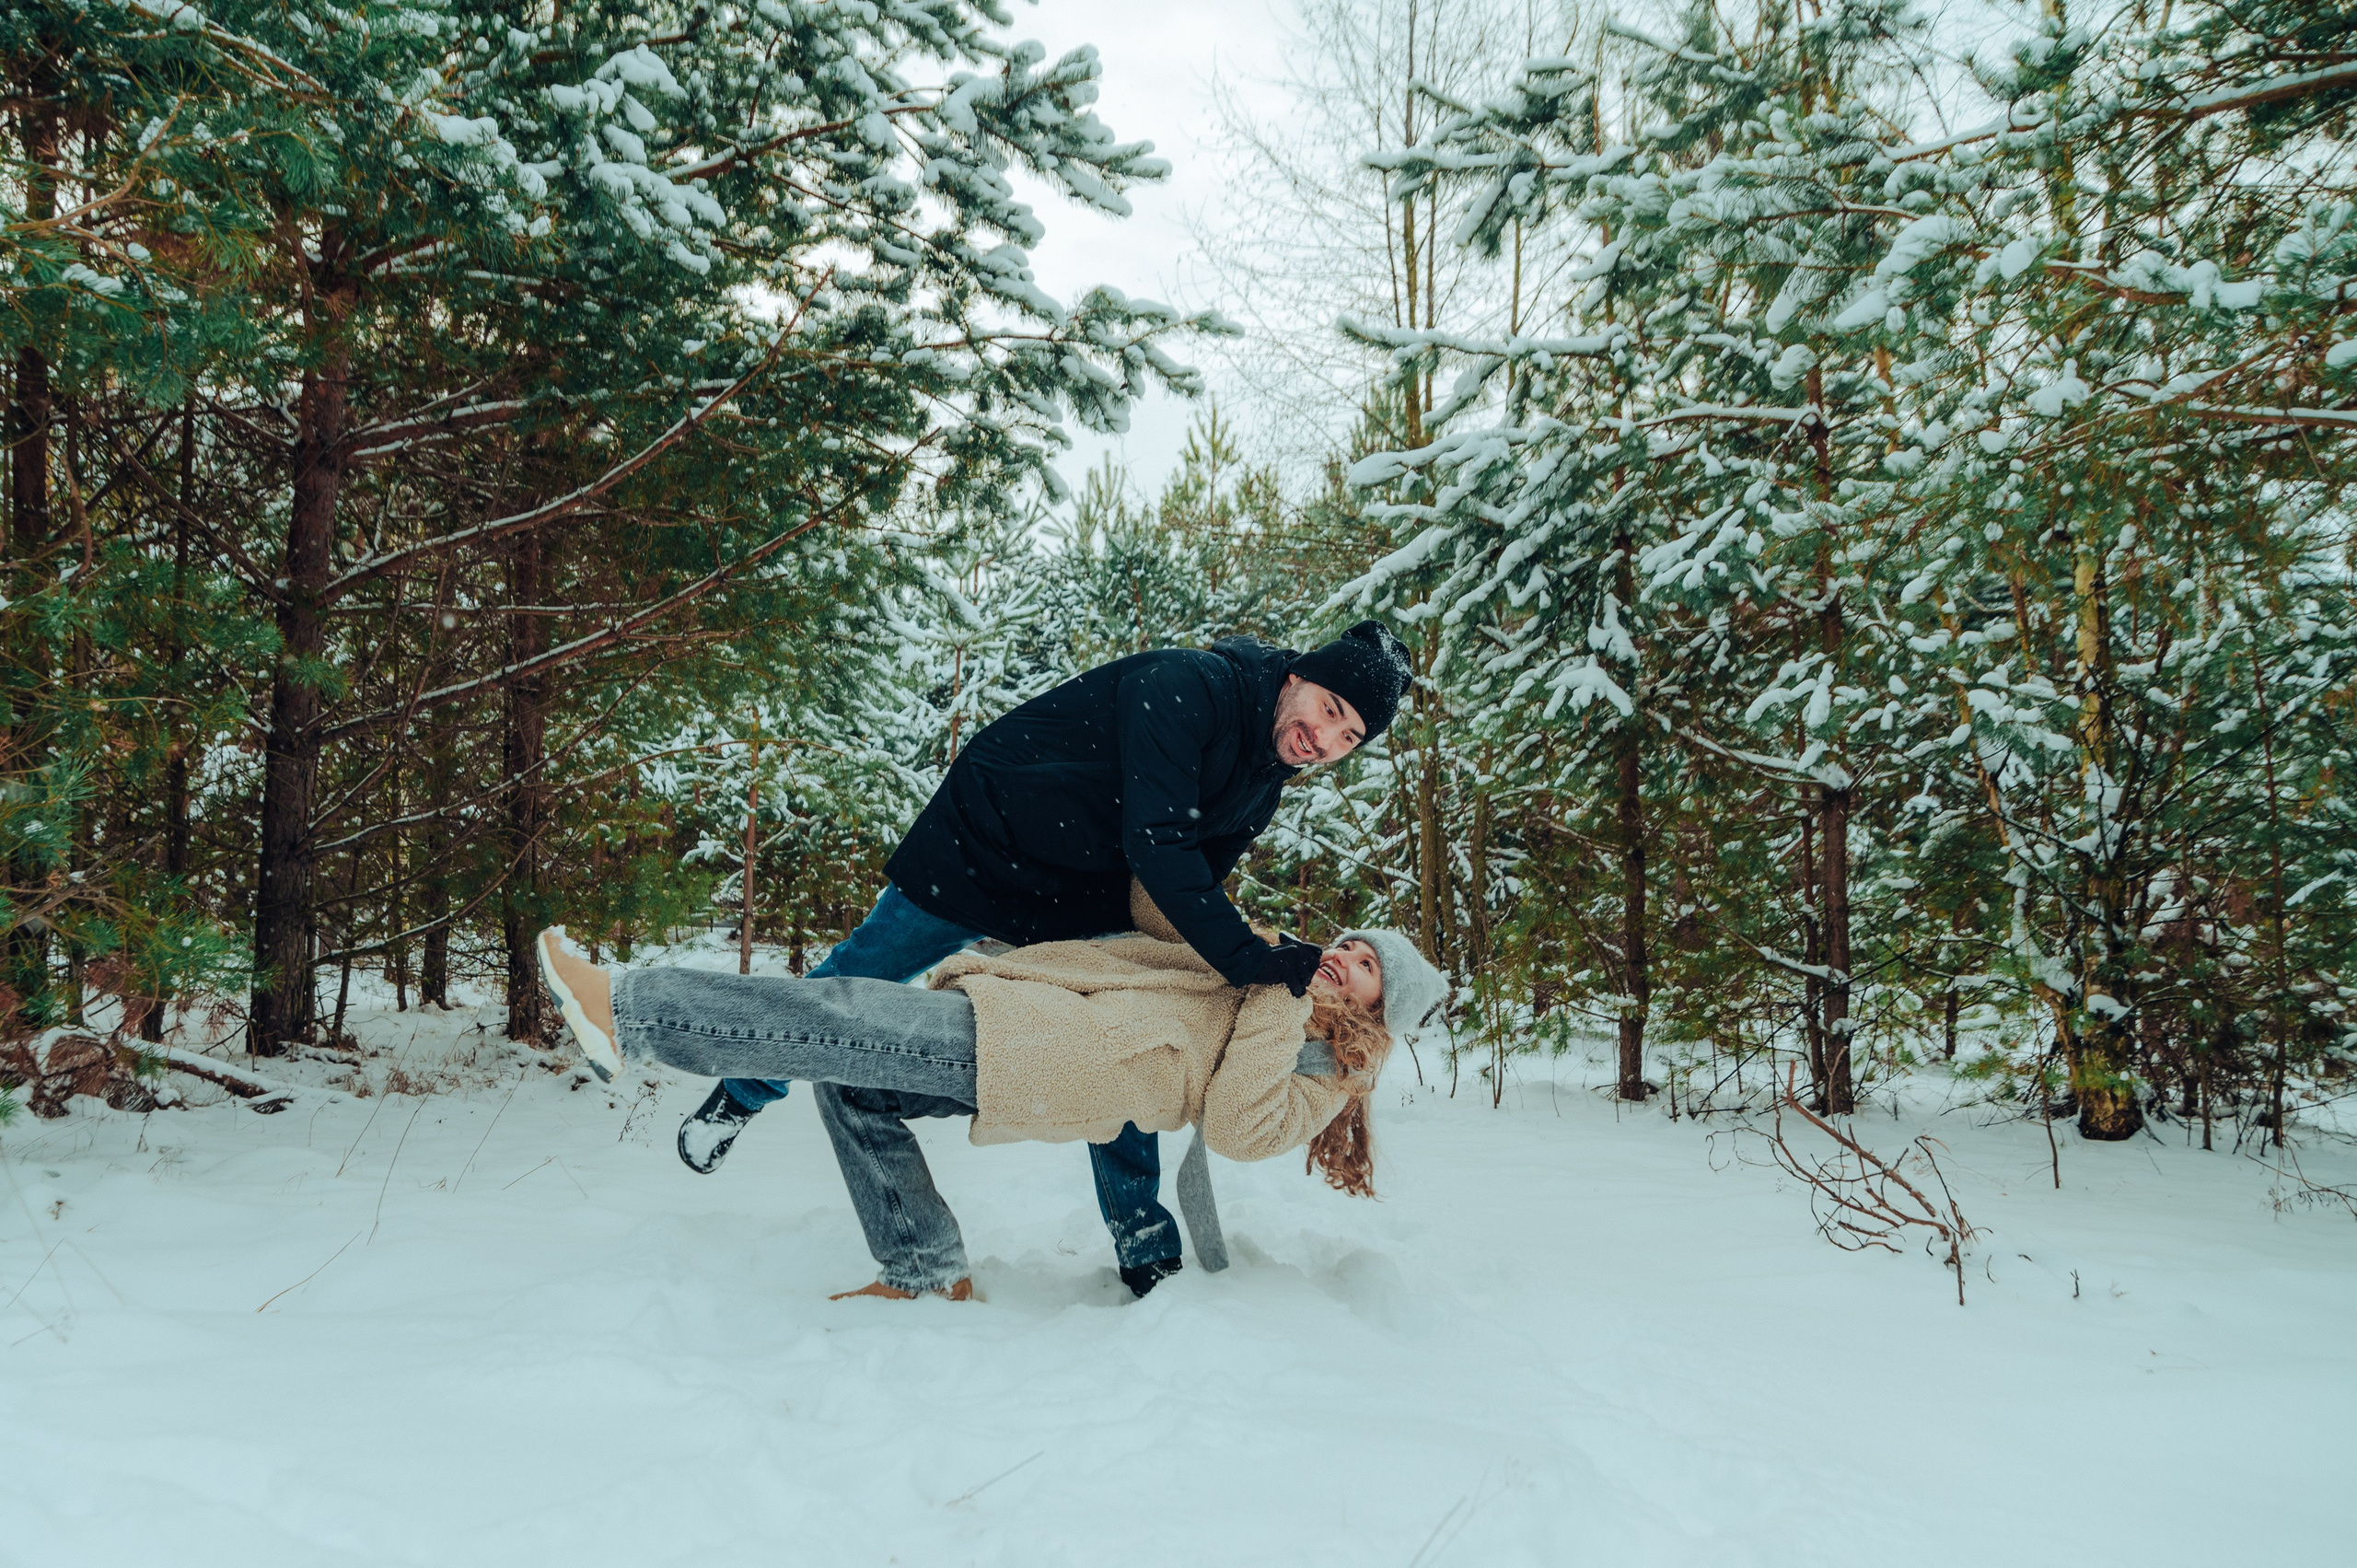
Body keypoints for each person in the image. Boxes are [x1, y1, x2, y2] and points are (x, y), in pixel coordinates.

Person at [677, 620, 1416, 1297]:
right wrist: (1246, 959)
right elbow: (1159, 845)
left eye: (1348, 735)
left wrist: (1248, 971)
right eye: (1327, 709)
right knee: (863, 971)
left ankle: (1146, 1247)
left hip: (1081, 892)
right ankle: (740, 1093)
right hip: (989, 844)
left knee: (1129, 1046)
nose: (1325, 737)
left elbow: (1182, 892)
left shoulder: (1261, 787)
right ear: (1295, 678)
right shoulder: (1190, 687)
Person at [539, 888, 1448, 1301]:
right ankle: (926, 1267)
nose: (1345, 958)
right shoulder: (1271, 960)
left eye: (1367, 968)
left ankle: (632, 1012)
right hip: (1034, 1012)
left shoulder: (1326, 1068)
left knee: (846, 1017)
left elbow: (1242, 1128)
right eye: (1353, 944)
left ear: (1378, 1009)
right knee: (857, 1082)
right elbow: (1154, 902)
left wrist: (1276, 991)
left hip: (1062, 1060)